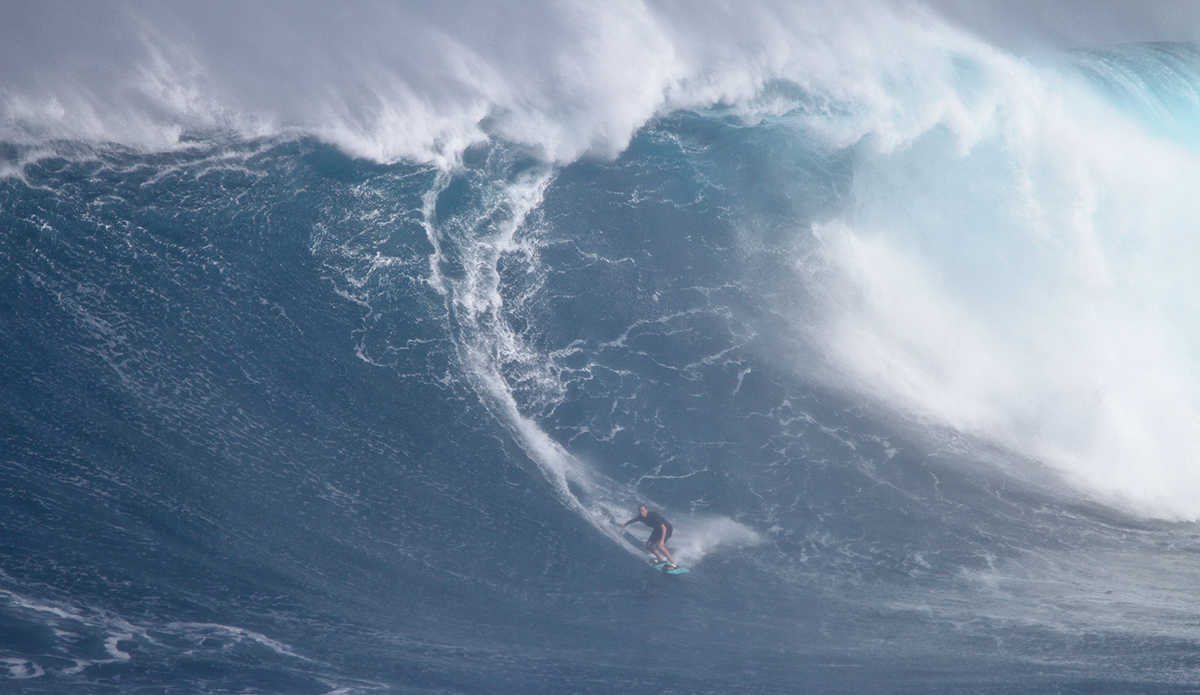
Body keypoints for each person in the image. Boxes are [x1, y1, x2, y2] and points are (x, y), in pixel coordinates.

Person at [619, 504, 677, 569]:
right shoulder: (641, 517)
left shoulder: (654, 516)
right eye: (640, 511)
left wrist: (662, 540)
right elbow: (634, 520)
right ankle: (660, 558)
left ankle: (673, 563)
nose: (641, 512)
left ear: (647, 510)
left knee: (659, 546)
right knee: (648, 546)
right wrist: (625, 524)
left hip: (667, 529)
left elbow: (663, 528)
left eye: (643, 511)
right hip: (657, 529)